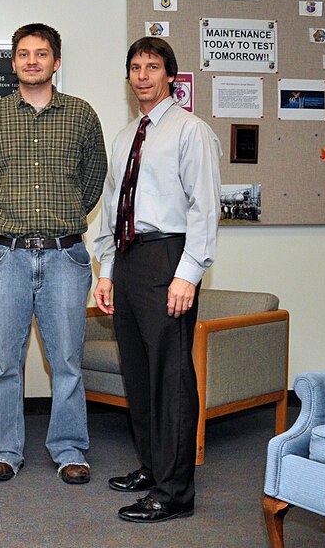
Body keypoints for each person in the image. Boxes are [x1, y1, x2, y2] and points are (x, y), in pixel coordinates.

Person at [92, 37, 221, 523]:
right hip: (128, 260)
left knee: (171, 378)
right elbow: (111, 208)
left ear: (170, 74)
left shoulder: (192, 131)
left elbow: (204, 209)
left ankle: (175, 492)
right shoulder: (127, 136)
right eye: (135, 67)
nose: (142, 75)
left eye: (152, 67)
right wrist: (107, 272)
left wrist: (187, 275)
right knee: (140, 374)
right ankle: (151, 466)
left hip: (169, 257)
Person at [0, 23, 107, 485]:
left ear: (56, 61)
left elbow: (93, 182)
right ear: (14, 62)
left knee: (67, 360)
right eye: (24, 54)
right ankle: (5, 451)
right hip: (5, 255)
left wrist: (61, 218)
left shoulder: (82, 115)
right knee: (5, 363)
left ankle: (70, 448)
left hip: (65, 256)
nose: (33, 61)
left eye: (42, 54)